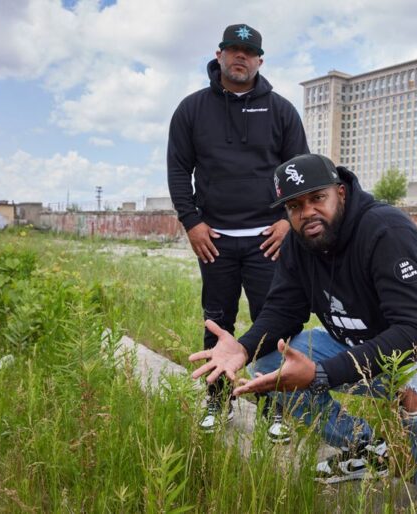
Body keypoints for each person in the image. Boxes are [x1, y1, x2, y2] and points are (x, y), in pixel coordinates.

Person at [189, 154, 417, 512]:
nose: (306, 212)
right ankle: (367, 449)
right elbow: (283, 310)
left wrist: (322, 374)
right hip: (360, 350)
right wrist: (244, 348)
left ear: (340, 193)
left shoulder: (385, 229)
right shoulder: (300, 244)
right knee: (268, 364)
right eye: (294, 206)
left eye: (317, 198)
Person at [167, 23, 309, 436]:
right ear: (219, 55)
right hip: (216, 243)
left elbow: (299, 172)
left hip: (269, 240)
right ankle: (217, 402)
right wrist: (191, 222)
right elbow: (179, 169)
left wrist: (287, 221)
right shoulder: (192, 109)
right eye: (233, 49)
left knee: (275, 322)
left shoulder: (281, 110)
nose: (240, 57)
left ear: (260, 60)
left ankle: (275, 407)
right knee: (217, 321)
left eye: (248, 51)